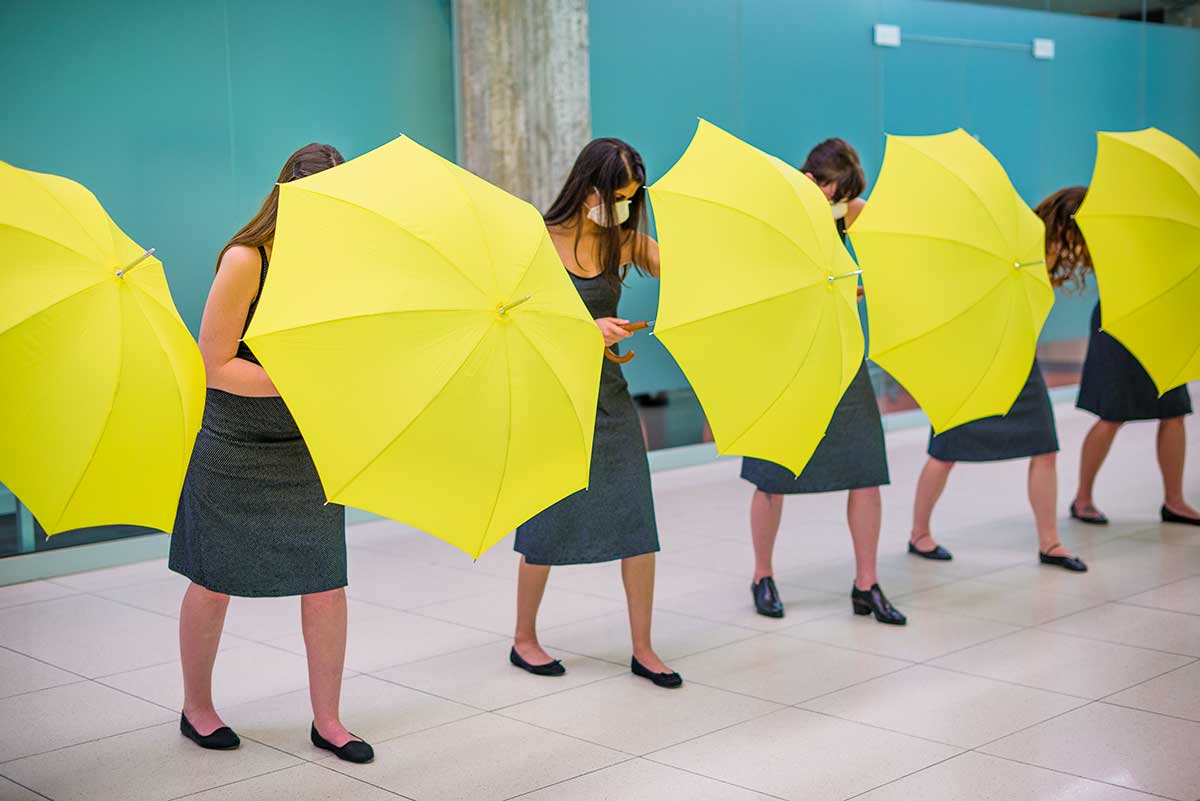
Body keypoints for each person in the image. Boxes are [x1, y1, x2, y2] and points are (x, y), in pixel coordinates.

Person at [169, 143, 374, 762]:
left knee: (325, 583)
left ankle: (329, 721)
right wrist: (300, 378)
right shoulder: (246, 258)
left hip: (305, 446)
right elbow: (212, 363)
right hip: (234, 444)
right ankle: (196, 709)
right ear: (286, 198)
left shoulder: (337, 267)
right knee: (213, 581)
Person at [510, 138, 681, 689]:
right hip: (550, 399)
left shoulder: (624, 243)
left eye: (633, 198)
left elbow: (689, 274)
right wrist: (587, 330)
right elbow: (512, 320)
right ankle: (523, 638)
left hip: (609, 398)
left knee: (637, 520)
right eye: (618, 197)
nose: (625, 208)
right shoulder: (537, 238)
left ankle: (644, 648)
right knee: (547, 522)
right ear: (588, 189)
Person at [741, 138, 906, 625]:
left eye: (847, 194)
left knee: (866, 469)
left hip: (841, 352)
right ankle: (762, 575)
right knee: (772, 474)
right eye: (835, 191)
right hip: (787, 354)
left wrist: (861, 283)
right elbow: (759, 283)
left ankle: (867, 582)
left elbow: (888, 256)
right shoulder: (779, 213)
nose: (841, 202)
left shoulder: (852, 209)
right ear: (811, 179)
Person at [905, 188, 1092, 573]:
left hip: (1019, 358)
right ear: (1068, 222)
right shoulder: (1021, 239)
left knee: (1044, 447)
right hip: (972, 358)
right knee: (945, 450)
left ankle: (1050, 543)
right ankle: (918, 534)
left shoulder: (1052, 251)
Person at [1036, 187, 1200, 528]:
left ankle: (1174, 501)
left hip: (1158, 320)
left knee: (1174, 411)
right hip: (1116, 325)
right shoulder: (1099, 233)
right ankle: (1083, 498)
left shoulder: (1133, 227)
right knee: (1112, 414)